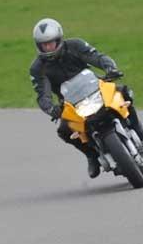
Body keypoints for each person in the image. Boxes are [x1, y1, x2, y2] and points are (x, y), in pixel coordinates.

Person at [30, 17, 140, 178]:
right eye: (43, 45)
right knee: (64, 131)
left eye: (51, 43)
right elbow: (42, 94)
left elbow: (97, 57)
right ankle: (91, 155)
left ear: (59, 39)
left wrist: (110, 68)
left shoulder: (75, 45)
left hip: (96, 88)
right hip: (71, 104)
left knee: (124, 94)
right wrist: (51, 109)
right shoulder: (37, 68)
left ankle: (139, 130)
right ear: (38, 45)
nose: (48, 47)